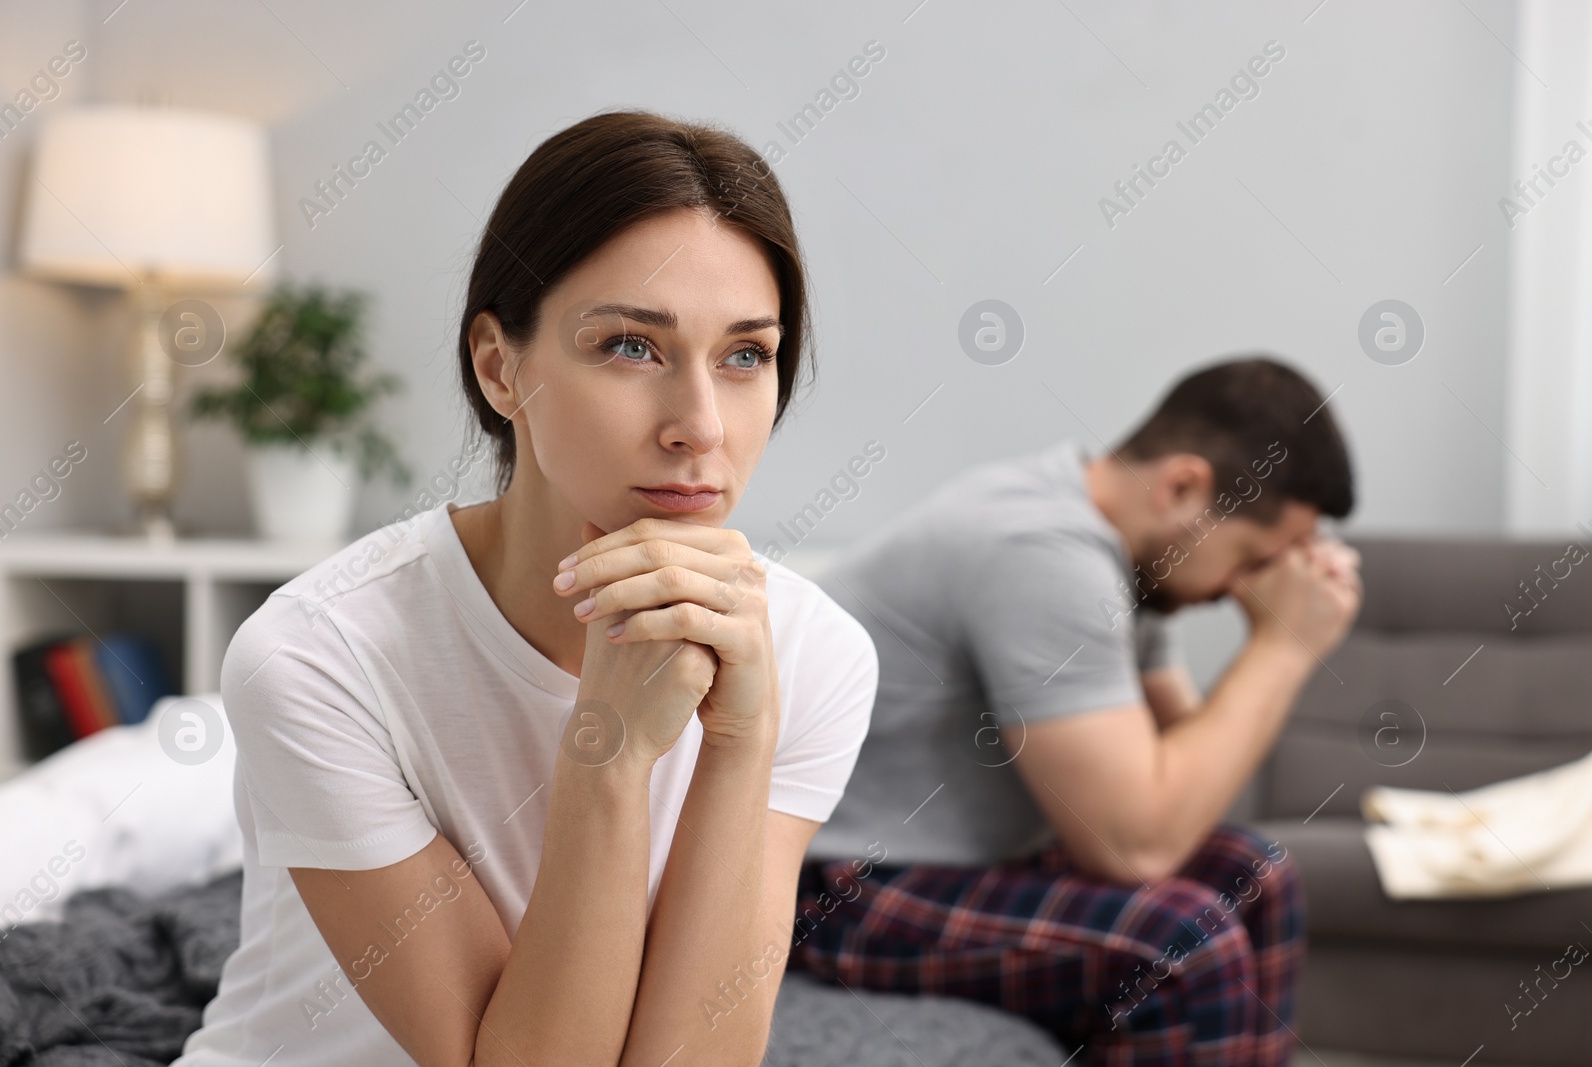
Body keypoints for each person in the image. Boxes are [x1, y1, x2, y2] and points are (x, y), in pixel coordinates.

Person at [174, 110, 878, 1067]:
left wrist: (742, 736)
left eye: (746, 354)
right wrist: (607, 754)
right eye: (632, 345)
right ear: (501, 366)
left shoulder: (810, 652)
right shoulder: (320, 652)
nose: (701, 427)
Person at [788, 357, 1362, 1065]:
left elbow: (1182, 788)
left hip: (956, 862)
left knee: (1259, 873)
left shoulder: (1123, 554)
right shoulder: (1043, 553)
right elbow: (1135, 843)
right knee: (1179, 942)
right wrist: (1283, 648)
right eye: (1252, 556)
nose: (1241, 587)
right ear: (1183, 485)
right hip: (835, 883)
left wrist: (1279, 638)